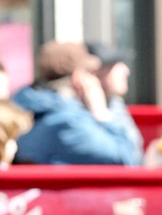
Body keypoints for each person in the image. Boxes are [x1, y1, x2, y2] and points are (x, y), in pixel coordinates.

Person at [10, 40, 140, 165]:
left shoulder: (28, 106)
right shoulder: (69, 122)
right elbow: (127, 159)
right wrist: (101, 114)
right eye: (89, 72)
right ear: (78, 78)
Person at [87, 41, 144, 152]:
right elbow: (118, 155)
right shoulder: (79, 112)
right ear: (97, 73)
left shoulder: (115, 103)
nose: (126, 71)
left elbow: (133, 150)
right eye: (115, 66)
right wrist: (101, 115)